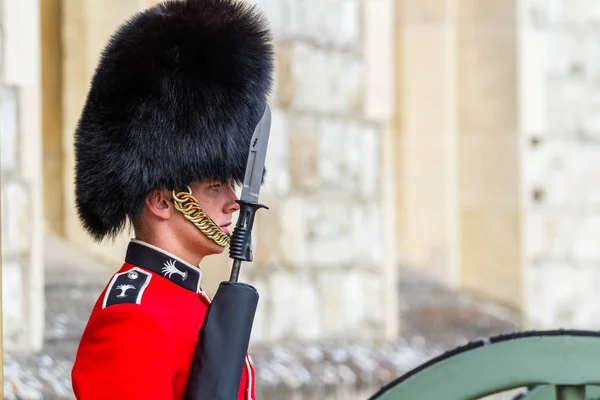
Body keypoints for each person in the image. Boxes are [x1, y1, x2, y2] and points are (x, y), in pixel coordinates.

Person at [70, 0, 274, 399]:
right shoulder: (134, 315)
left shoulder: (187, 301)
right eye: (215, 187)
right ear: (163, 201)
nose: (234, 202)